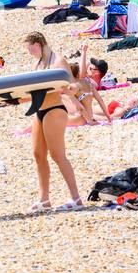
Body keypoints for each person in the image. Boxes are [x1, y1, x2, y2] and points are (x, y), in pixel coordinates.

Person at [21, 31, 84, 212]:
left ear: (38, 44)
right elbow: (34, 92)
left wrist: (75, 100)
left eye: (30, 48)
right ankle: (44, 199)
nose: (29, 52)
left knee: (58, 155)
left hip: (54, 110)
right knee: (38, 154)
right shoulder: (37, 63)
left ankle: (76, 198)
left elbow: (72, 84)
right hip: (39, 110)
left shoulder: (58, 61)